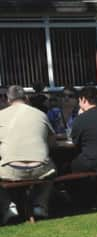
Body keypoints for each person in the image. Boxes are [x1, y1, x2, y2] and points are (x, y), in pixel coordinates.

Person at [0, 85, 56, 222]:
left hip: (11, 169)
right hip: (40, 168)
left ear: (8, 100)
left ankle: (9, 207)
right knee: (52, 168)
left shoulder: (1, 115)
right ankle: (40, 205)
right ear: (26, 98)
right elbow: (52, 142)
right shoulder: (40, 114)